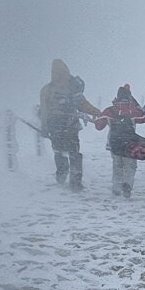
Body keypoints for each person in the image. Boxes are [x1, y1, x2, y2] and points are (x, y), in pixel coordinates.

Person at [39, 59, 100, 191]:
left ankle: (63, 176)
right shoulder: (70, 87)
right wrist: (97, 112)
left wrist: (44, 126)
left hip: (58, 125)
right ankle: (74, 181)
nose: (56, 74)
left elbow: (44, 110)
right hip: (68, 125)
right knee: (72, 152)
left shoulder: (48, 89)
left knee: (60, 152)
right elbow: (83, 104)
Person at [95, 84, 145, 198]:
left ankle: (116, 188)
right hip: (130, 144)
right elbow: (144, 117)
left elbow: (98, 126)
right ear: (129, 97)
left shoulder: (110, 110)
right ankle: (127, 185)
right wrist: (134, 102)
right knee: (130, 166)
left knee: (117, 165)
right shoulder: (133, 111)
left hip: (114, 144)